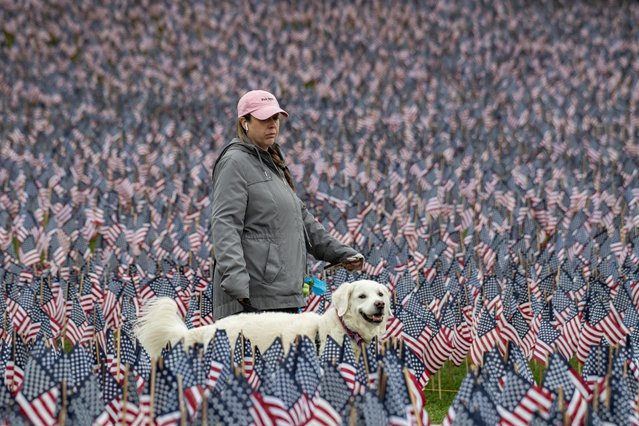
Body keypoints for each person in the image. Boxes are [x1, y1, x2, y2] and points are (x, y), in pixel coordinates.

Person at [210, 90, 364, 320]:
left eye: (276, 118)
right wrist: (237, 285)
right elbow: (225, 225)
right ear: (244, 123)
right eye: (264, 119)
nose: (273, 125)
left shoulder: (272, 164)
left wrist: (341, 254)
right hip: (254, 298)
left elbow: (302, 222)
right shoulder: (235, 162)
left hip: (280, 293)